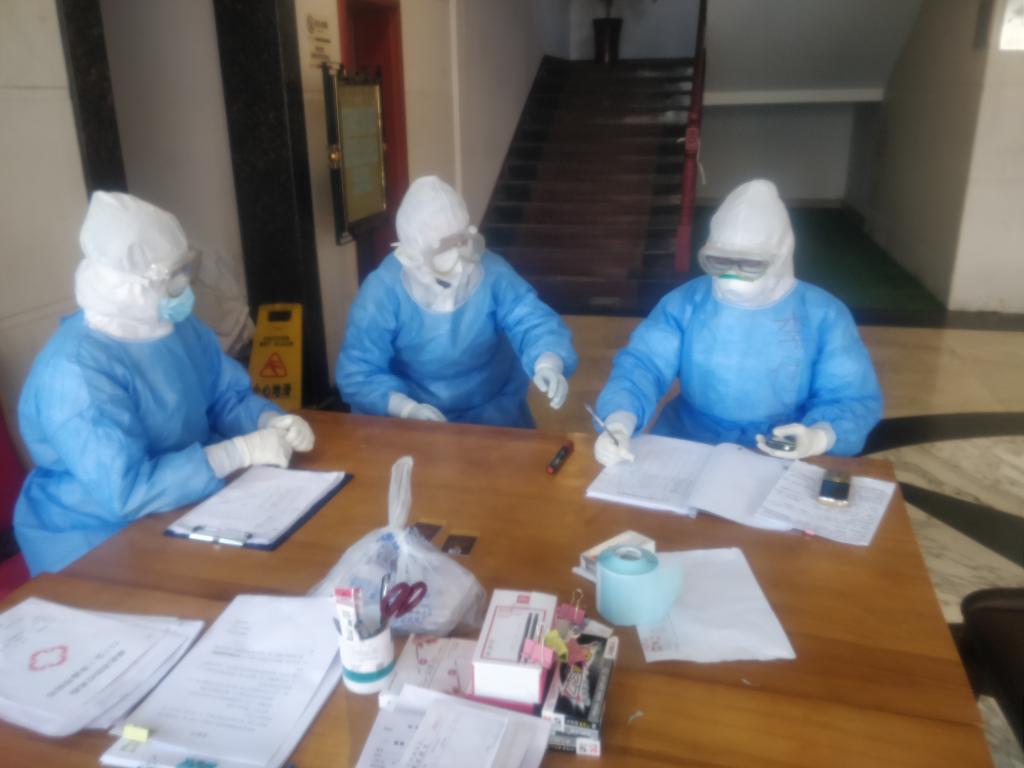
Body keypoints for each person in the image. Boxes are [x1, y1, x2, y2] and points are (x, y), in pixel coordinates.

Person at [14, 192, 315, 575]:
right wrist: (237, 453)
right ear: (127, 286)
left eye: (182, 269)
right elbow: (127, 491)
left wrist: (268, 421)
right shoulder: (75, 373)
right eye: (171, 276)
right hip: (96, 538)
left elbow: (224, 395)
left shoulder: (172, 325)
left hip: (190, 500)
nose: (183, 284)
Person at [593, 179, 882, 466]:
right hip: (688, 436)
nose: (732, 274)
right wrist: (619, 420)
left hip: (782, 443)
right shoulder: (685, 303)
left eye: (751, 263)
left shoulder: (823, 313)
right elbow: (643, 366)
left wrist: (819, 436)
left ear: (781, 255)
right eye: (720, 261)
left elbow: (850, 394)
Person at [337, 176, 578, 428]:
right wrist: (406, 409)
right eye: (443, 255)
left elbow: (532, 320)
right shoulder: (383, 291)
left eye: (464, 245)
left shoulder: (493, 273)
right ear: (411, 257)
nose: (462, 266)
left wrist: (548, 362)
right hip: (417, 419)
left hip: (494, 409)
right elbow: (358, 371)